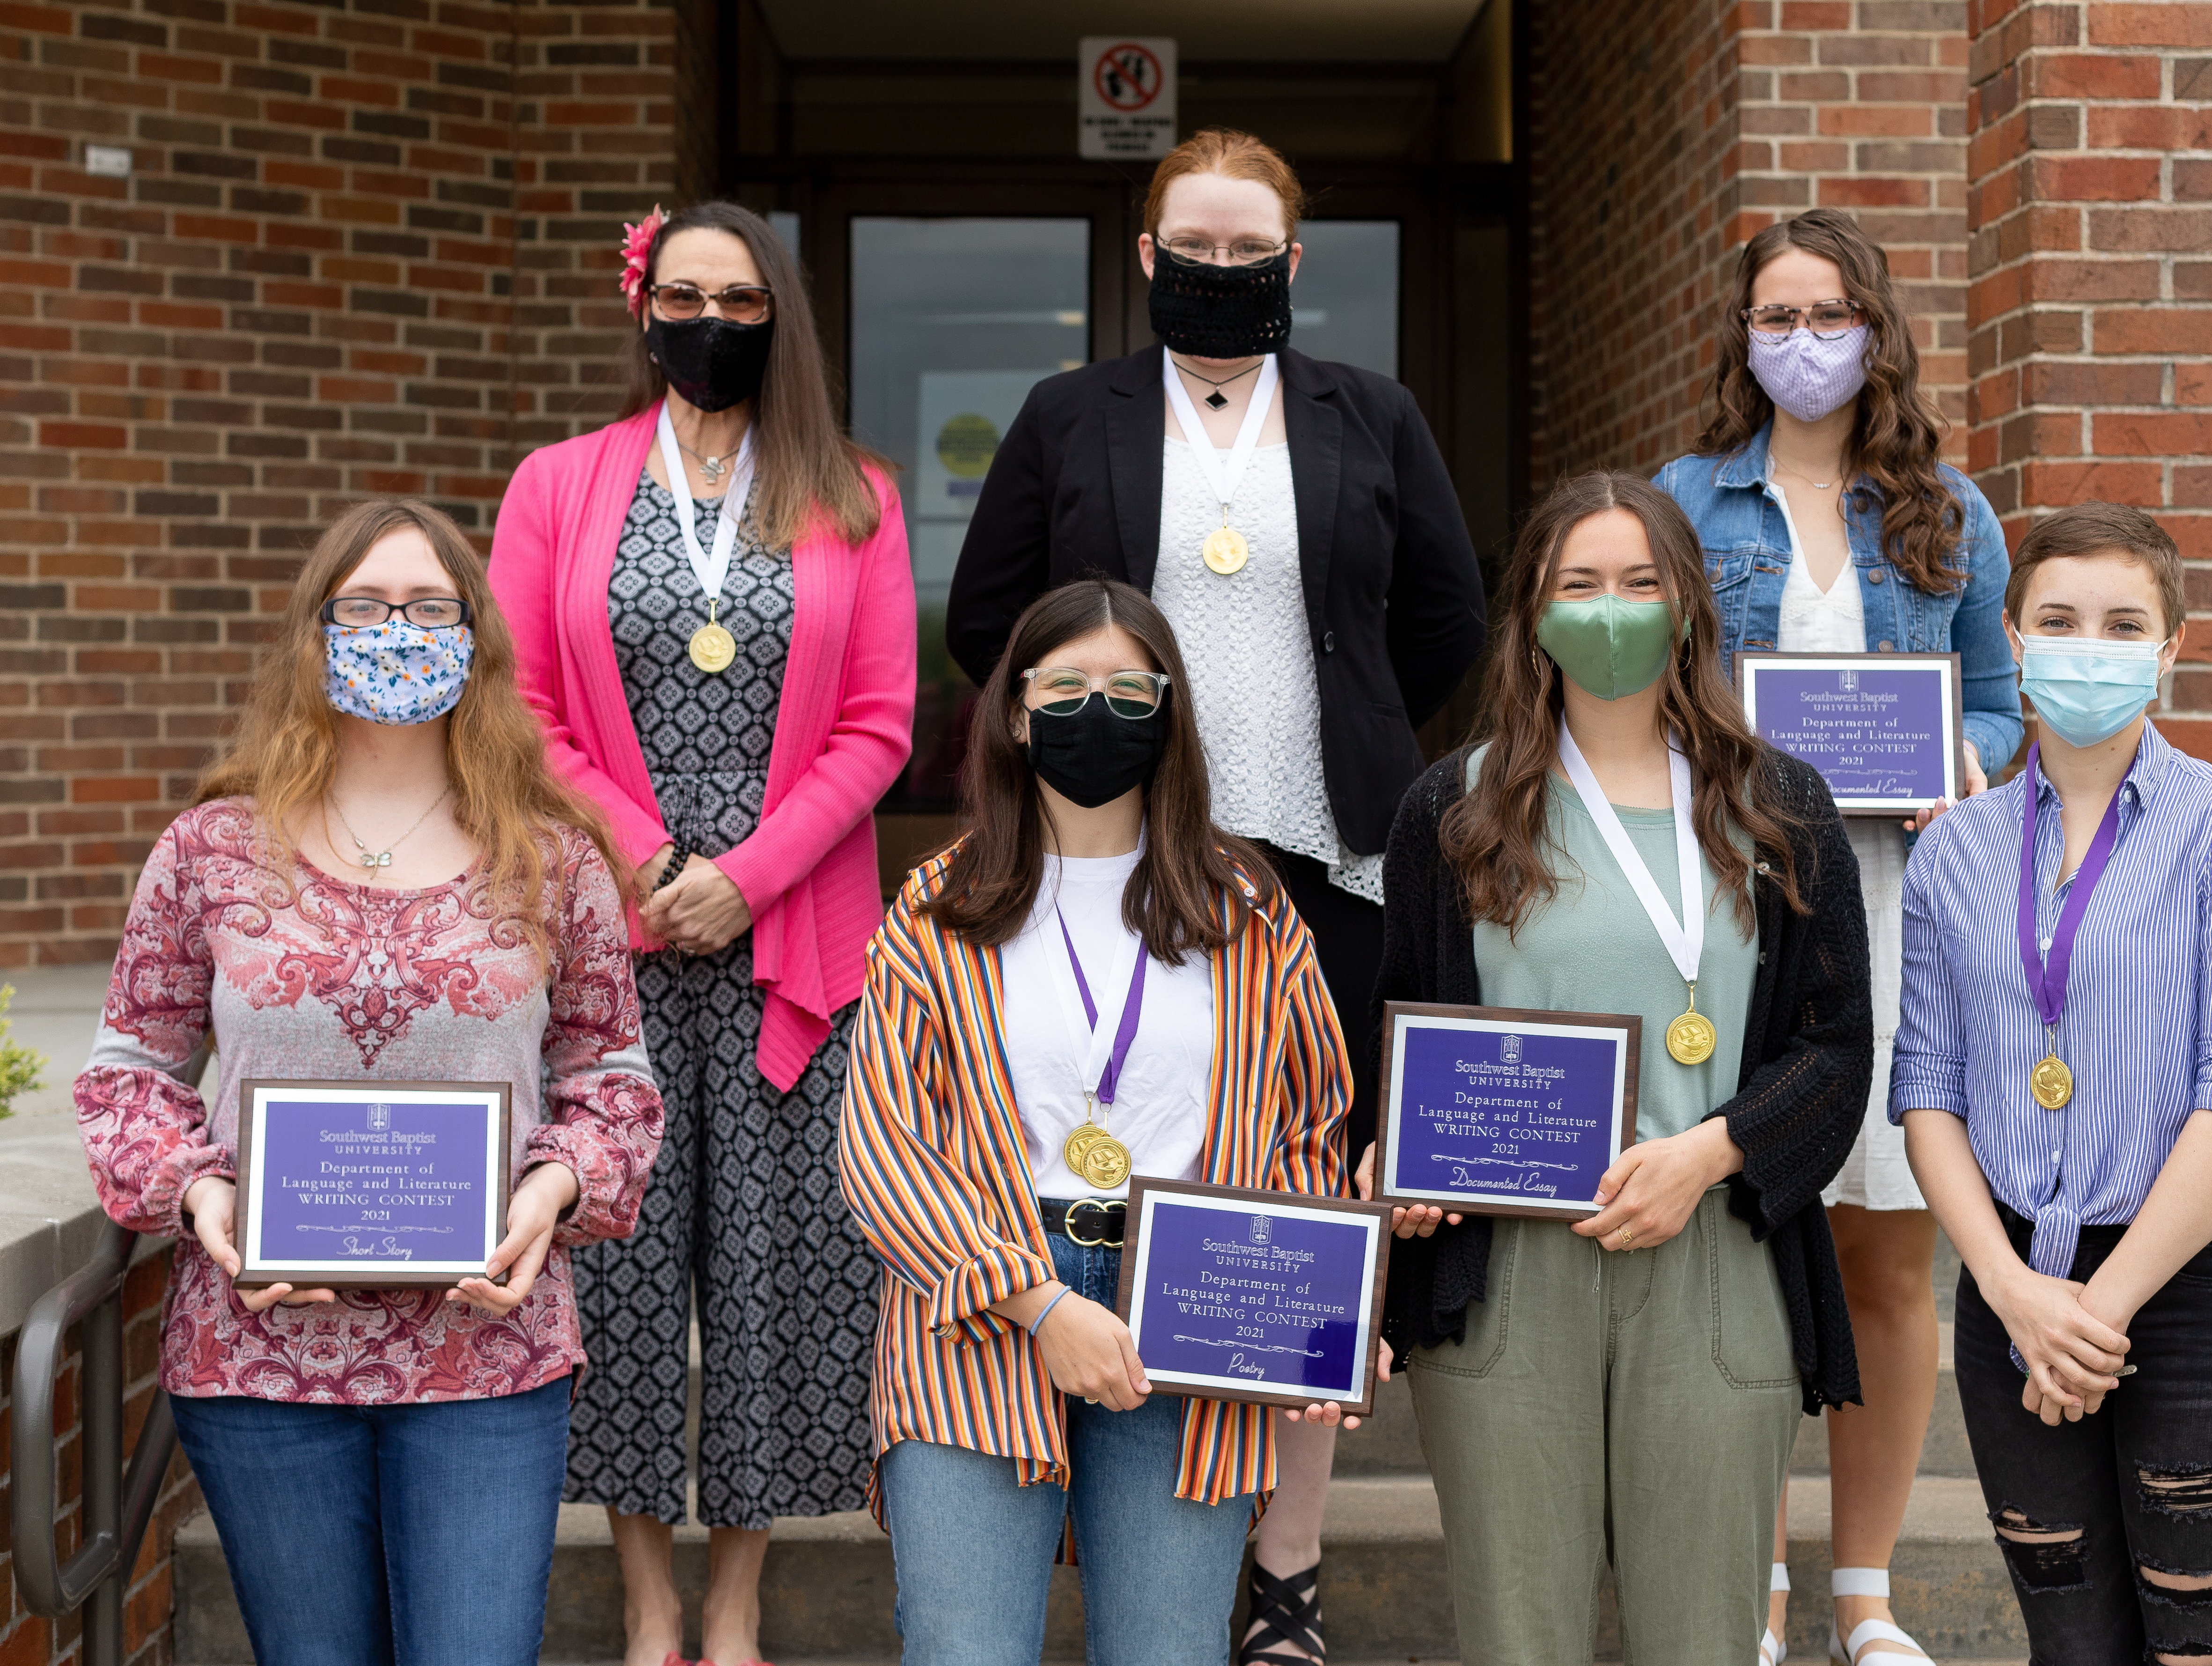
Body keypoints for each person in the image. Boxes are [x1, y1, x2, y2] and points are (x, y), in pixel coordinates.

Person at [943, 131, 1484, 1658]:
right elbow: (992, 615)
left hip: (1326, 864)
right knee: (1098, 1159)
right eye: (1197, 243)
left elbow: (1445, 616)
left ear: (1294, 264)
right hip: (1116, 859)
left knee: (1299, 1196)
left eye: (1253, 250)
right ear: (1145, 252)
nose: (1222, 267)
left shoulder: (1367, 414)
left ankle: (1288, 1557)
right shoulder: (1071, 414)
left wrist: (1361, 725)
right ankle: (1081, 1496)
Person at [72, 499, 664, 1666]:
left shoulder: (552, 856)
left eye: (430, 607)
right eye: (368, 608)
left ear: (477, 637)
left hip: (488, 1354)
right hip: (259, 1361)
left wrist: (548, 1198)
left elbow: (612, 1080)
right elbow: (130, 1072)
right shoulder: (211, 849)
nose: (399, 629)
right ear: (315, 633)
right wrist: (206, 1200)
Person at [489, 199, 915, 1666]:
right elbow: (524, 710)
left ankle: (736, 1592)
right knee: (614, 1256)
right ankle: (644, 1587)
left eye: (740, 299)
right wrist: (654, 854)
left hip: (794, 938)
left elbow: (878, 726)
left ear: (778, 317)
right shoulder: (556, 484)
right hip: (614, 932)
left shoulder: (853, 492)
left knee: (781, 1270)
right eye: (684, 294)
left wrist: (749, 874)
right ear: (643, 305)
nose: (710, 322)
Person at [1366, 472, 1871, 1666]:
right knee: (1517, 1637)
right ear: (1530, 615)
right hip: (1504, 1272)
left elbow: (1836, 1048)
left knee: (1702, 1638)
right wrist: (1394, 1149)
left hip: (1709, 1255)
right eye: (1577, 585)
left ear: (1689, 606)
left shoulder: (1779, 805)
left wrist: (1707, 1154)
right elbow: (1396, 1033)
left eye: (1641, 584)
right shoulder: (1452, 808)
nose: (1611, 611)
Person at [838, 578, 1368, 1666]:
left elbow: (1311, 1131)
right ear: (1017, 712)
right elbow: (884, 1146)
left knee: (1169, 1653)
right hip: (976, 1313)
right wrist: (1038, 1307)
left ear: (1169, 712)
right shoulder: (937, 909)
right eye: (1066, 687)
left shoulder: (1249, 913)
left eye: (1130, 690)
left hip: (1194, 1308)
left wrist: (1315, 1319)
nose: (1097, 712)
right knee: (963, 1649)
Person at [1655, 205, 2021, 1666]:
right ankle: (1740, 1594)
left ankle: (1860, 1593)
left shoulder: (1949, 509)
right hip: (1735, 903)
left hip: (1899, 906)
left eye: (1825, 315)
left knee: (1881, 1257)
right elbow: (1642, 686)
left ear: (1873, 329)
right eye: (1773, 317)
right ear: (1743, 338)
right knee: (1746, 1248)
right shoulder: (1683, 498)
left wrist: (1965, 764)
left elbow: (1992, 696)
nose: (1799, 342)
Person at [1893, 501, 2212, 1666]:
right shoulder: (1953, 849)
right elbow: (1925, 1092)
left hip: (2198, 1294)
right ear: (2013, 640)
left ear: (2170, 646)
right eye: (2059, 618)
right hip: (2010, 1288)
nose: (2090, 643)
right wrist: (2018, 1295)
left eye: (2124, 622)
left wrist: (2101, 1308)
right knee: (2068, 1645)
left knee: (2198, 1647)